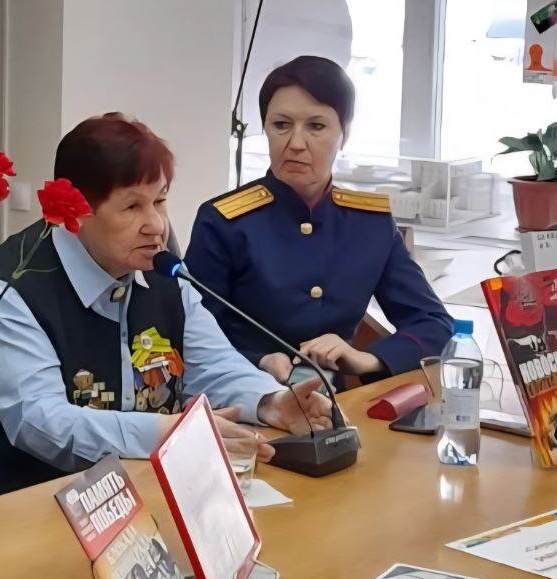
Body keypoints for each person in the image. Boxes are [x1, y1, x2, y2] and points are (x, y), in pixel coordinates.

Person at [0, 113, 333, 496]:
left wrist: (272, 402)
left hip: (146, 492)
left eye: (160, 200)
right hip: (33, 503)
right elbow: (41, 423)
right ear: (77, 214)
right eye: (132, 207)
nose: (156, 225)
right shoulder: (10, 289)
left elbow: (214, 367)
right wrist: (161, 434)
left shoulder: (162, 270)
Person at [186, 56, 452, 387]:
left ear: (345, 133)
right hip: (242, 395)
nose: (296, 144)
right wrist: (258, 359)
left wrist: (367, 360)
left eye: (316, 126)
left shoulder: (368, 225)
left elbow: (433, 323)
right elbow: (191, 330)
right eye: (281, 125)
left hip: (334, 404)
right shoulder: (224, 221)